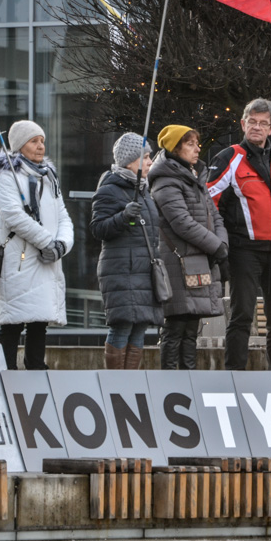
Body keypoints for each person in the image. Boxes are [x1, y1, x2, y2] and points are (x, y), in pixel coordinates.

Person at [207, 98, 271, 371]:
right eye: (252, 122)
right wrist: (219, 249)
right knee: (242, 316)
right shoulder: (229, 157)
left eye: (263, 123)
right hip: (243, 251)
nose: (257, 128)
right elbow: (209, 204)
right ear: (243, 124)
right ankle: (234, 376)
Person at [0, 120, 73, 371]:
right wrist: (47, 242)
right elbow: (14, 216)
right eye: (34, 141)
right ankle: (7, 372)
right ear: (20, 145)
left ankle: (36, 368)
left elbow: (62, 215)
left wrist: (62, 245)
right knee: (13, 322)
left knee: (39, 320)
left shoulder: (48, 177)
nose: (40, 146)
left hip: (46, 259)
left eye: (42, 140)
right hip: (18, 259)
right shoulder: (6, 176)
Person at [148, 124, 228, 370]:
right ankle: (172, 385)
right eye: (190, 144)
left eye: (197, 143)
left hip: (197, 261)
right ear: (175, 148)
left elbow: (214, 215)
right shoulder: (166, 181)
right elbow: (182, 223)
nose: (197, 149)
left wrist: (222, 242)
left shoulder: (194, 177)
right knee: (175, 327)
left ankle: (189, 382)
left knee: (191, 327)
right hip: (178, 264)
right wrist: (216, 246)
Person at [90, 133, 164, 369]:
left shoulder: (144, 190)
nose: (150, 161)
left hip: (143, 271)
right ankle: (116, 385)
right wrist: (123, 217)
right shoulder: (109, 189)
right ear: (130, 161)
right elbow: (98, 229)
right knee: (122, 326)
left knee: (140, 328)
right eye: (146, 156)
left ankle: (130, 385)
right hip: (122, 270)